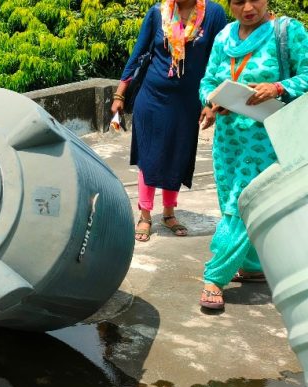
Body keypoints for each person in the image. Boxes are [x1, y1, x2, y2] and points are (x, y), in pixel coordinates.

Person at [197, 0, 308, 310]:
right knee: (230, 201)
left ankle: (214, 277)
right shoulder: (224, 37)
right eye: (237, 1)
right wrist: (210, 101)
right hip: (227, 141)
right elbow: (207, 81)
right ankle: (254, 266)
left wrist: (277, 88)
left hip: (268, 137)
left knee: (241, 205)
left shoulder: (287, 31)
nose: (247, 7)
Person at [112, 0, 227, 242]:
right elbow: (139, 53)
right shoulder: (157, 12)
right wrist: (119, 94)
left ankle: (169, 213)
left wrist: (211, 102)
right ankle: (145, 215)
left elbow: (219, 60)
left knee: (178, 154)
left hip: (187, 102)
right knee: (149, 155)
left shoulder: (214, 14)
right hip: (152, 98)